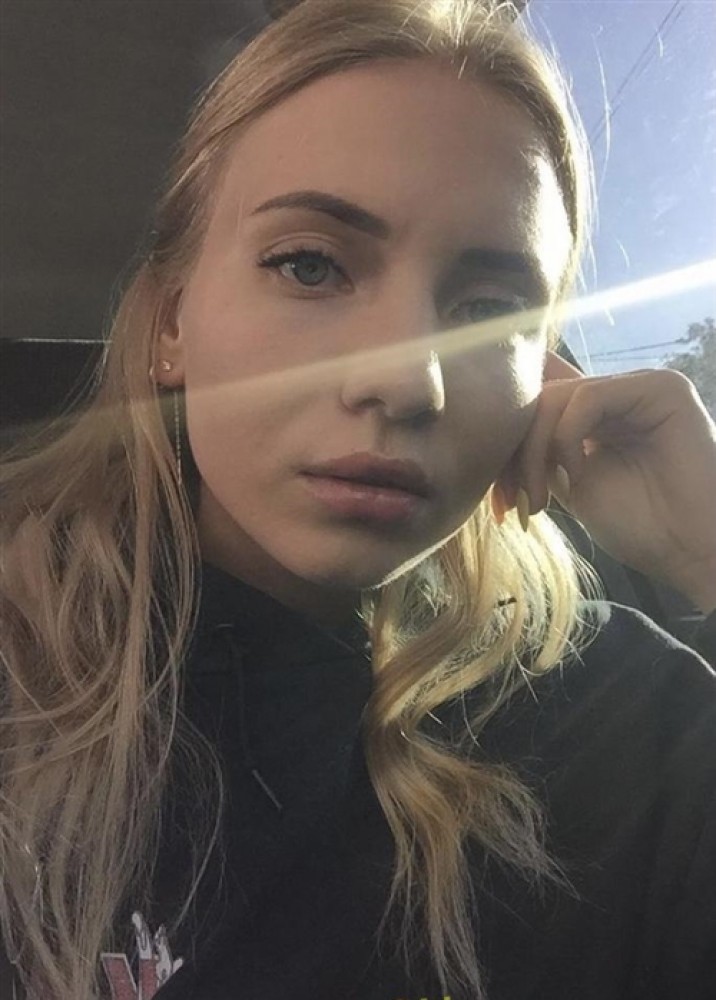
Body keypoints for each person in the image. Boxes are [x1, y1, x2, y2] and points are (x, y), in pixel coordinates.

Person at [1, 1, 715, 998]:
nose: (407, 381)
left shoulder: (623, 718)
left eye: (490, 309)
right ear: (171, 324)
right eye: (310, 265)